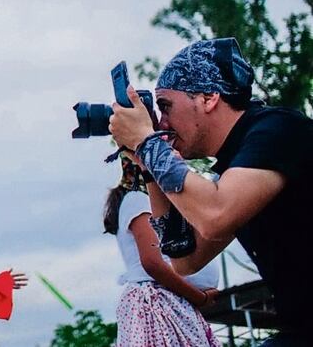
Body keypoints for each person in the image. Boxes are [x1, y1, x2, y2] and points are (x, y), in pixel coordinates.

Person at [110, 37, 313, 344]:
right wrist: (149, 168)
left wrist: (146, 142)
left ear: (208, 98)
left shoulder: (276, 129)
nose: (161, 123)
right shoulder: (236, 165)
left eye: (165, 106)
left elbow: (216, 213)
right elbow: (185, 259)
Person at [104, 154, 219, 345]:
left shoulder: (157, 204)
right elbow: (153, 263)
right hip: (156, 303)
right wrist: (199, 297)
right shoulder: (137, 199)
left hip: (173, 301)